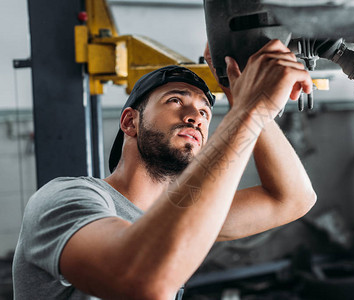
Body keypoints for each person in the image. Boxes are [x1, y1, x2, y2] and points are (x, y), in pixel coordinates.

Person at [12, 39, 316, 300]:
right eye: (175, 100)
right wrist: (249, 111)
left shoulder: (181, 212)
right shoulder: (64, 198)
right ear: (130, 122)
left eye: (204, 112)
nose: (194, 117)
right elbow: (142, 280)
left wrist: (239, 96)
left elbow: (291, 199)